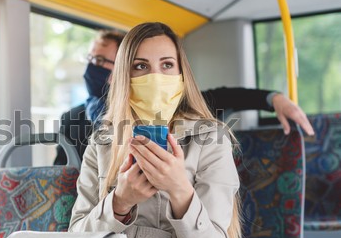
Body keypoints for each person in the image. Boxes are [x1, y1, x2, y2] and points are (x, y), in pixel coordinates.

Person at [68, 22, 242, 238]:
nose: (156, 77)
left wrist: (179, 189)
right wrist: (120, 202)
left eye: (167, 65)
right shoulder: (101, 143)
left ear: (182, 74)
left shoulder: (211, 140)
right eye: (141, 66)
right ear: (124, 76)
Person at [54, 30, 314, 166]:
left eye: (101, 61)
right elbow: (62, 174)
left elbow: (227, 96)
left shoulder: (176, 104)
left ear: (123, 67)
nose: (92, 68)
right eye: (90, 59)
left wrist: (274, 99)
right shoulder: (72, 118)